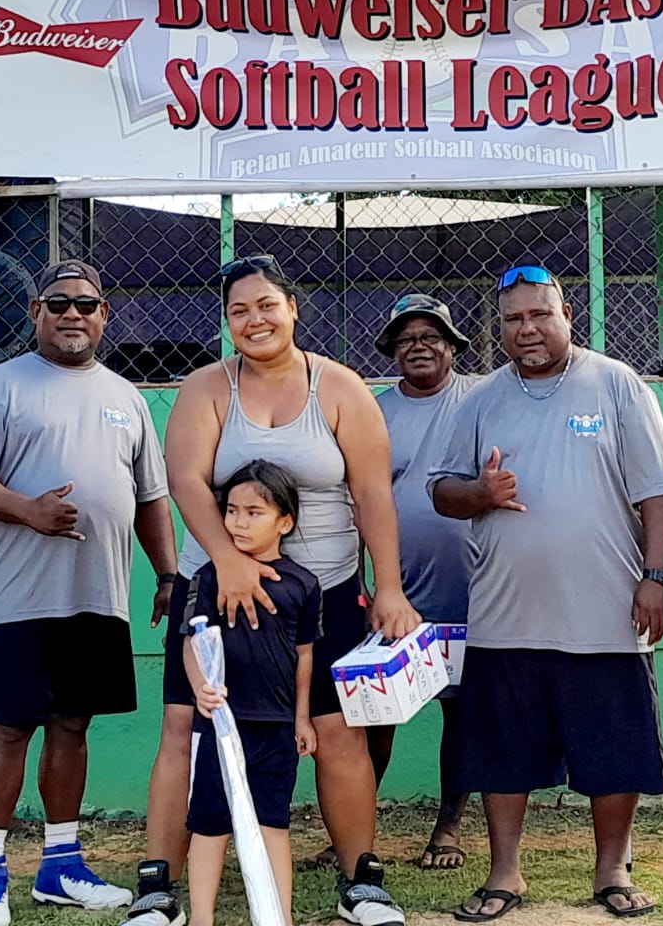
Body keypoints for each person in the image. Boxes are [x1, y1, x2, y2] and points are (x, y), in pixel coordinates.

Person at [162, 253, 419, 926]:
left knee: (336, 732)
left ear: (293, 309)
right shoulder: (205, 388)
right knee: (188, 724)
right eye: (239, 311)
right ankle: (158, 885)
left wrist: (387, 587)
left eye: (266, 305)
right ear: (227, 322)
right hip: (218, 590)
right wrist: (229, 560)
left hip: (325, 589)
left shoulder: (339, 388)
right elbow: (188, 481)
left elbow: (372, 493)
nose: (255, 320)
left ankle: (360, 880)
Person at [0, 261, 190, 926]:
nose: (72, 313)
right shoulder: (0, 387)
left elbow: (151, 497)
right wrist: (28, 511)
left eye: (85, 303)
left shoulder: (127, 396)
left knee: (73, 726)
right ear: (35, 313)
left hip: (99, 597)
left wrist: (168, 574)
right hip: (24, 600)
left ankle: (60, 867)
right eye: (58, 303)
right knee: (7, 728)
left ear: (105, 314)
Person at [430, 263, 663, 921]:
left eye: (540, 314)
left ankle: (612, 869)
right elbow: (442, 491)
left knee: (615, 748)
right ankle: (504, 873)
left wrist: (657, 579)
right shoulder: (481, 398)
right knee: (502, 752)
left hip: (606, 612)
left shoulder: (617, 384)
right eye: (513, 319)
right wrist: (480, 494)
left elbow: (657, 492)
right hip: (505, 616)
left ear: (568, 316)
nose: (527, 328)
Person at [180, 460, 322, 926]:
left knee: (272, 826)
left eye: (254, 513)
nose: (239, 522)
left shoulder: (303, 585)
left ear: (285, 521)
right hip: (221, 728)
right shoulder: (208, 576)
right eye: (232, 511)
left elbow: (304, 655)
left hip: (276, 730)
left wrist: (301, 718)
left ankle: (278, 917)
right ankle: (201, 917)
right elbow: (192, 641)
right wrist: (201, 688)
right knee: (210, 826)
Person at [370, 293, 479, 870]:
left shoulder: (481, 399)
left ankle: (448, 830)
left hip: (475, 588)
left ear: (453, 346)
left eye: (432, 336)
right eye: (407, 337)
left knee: (460, 713)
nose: (419, 345)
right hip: (397, 591)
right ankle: (356, 829)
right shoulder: (374, 411)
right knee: (376, 711)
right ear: (391, 349)